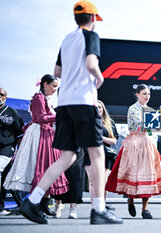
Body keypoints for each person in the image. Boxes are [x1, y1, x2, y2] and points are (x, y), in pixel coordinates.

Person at [19, 0, 123, 225]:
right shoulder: (91, 36)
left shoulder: (66, 39)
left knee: (68, 156)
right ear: (93, 19)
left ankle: (33, 200)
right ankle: (99, 209)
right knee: (97, 154)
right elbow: (90, 63)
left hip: (64, 104)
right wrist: (100, 77)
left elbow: (57, 71)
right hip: (84, 102)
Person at [5, 75, 69, 217]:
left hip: (47, 134)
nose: (54, 90)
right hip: (39, 134)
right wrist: (60, 115)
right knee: (39, 168)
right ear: (45, 84)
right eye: (53, 86)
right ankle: (36, 206)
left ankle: (44, 205)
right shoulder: (38, 98)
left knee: (46, 168)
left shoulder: (45, 98)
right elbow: (41, 118)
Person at [106, 84, 161, 219]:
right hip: (134, 143)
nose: (147, 96)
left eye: (149, 94)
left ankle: (145, 209)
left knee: (148, 174)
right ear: (137, 94)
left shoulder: (150, 109)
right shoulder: (133, 109)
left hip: (146, 143)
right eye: (144, 94)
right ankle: (130, 200)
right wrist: (156, 120)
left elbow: (153, 129)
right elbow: (136, 125)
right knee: (132, 174)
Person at [85, 100, 119, 212]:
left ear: (103, 109)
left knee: (103, 181)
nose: (98, 109)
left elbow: (114, 141)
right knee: (91, 181)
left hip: (105, 155)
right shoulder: (87, 122)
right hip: (89, 153)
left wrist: (101, 137)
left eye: (100, 107)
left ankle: (102, 205)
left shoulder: (109, 123)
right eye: (96, 107)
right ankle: (95, 206)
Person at [0, 87, 24, 216]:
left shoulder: (12, 113)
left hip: (7, 148)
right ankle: (21, 206)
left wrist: (19, 154)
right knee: (8, 179)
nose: (0, 97)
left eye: (2, 95)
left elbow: (20, 135)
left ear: (6, 97)